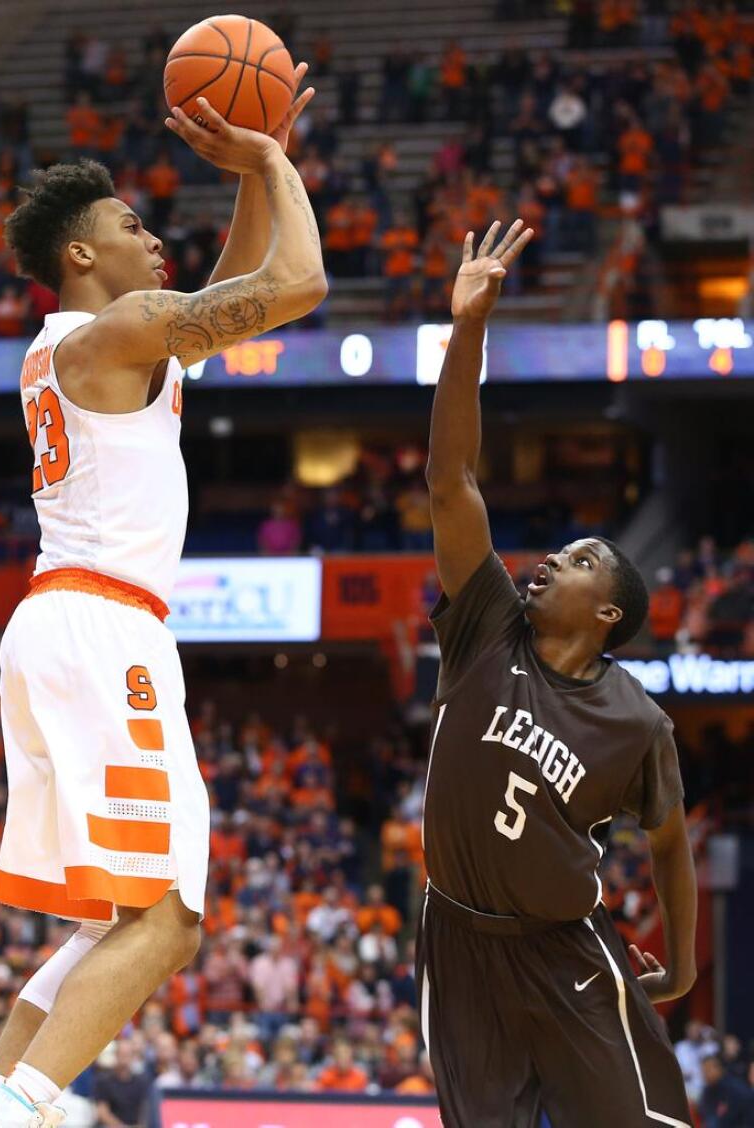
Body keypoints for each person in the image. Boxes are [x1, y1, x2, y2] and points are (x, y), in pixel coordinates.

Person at [0, 68, 325, 1128]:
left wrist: (254, 153)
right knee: (164, 919)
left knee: (117, 921)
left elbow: (235, 279)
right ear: (79, 254)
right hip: (104, 627)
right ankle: (10, 1113)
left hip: (75, 621)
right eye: (128, 224)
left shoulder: (97, 345)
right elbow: (292, 285)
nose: (154, 239)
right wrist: (272, 159)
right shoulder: (110, 335)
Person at [418, 219, 697, 1127]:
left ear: (608, 612)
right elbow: (452, 480)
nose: (550, 561)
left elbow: (668, 843)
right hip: (458, 944)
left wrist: (685, 963)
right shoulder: (487, 626)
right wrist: (469, 331)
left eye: (577, 561)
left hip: (566, 951)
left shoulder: (637, 722)